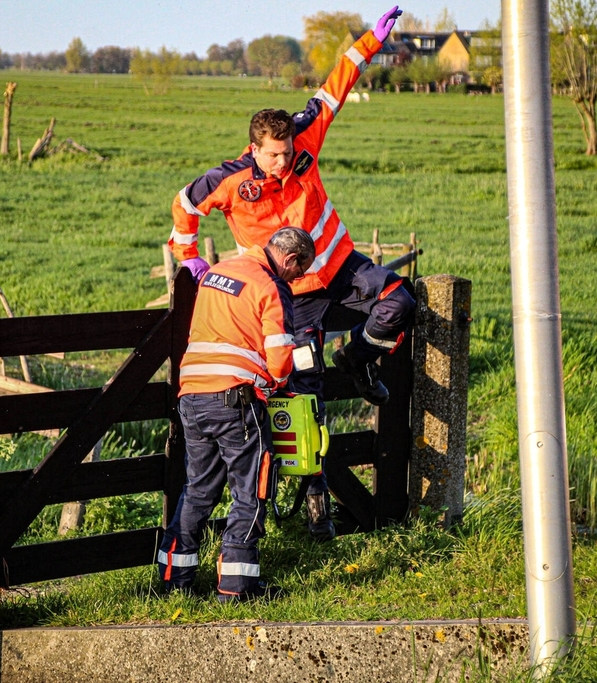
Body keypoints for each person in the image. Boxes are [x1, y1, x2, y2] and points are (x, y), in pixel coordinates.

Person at [167, 6, 415, 541]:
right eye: (274, 155)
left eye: (288, 153)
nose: (284, 162)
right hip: (290, 298)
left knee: (402, 301)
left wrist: (370, 41)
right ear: (255, 149)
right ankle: (316, 511)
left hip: (340, 267)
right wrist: (188, 255)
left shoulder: (305, 138)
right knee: (305, 398)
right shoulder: (230, 180)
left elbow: (335, 89)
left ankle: (358, 359)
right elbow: (184, 203)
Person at [157, 228, 315, 603]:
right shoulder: (271, 285)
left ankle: (174, 580)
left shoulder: (217, 272)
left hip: (191, 395)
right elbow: (280, 355)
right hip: (236, 400)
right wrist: (278, 384)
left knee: (198, 490)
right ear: (290, 259)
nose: (297, 279)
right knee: (251, 492)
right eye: (300, 271)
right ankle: (236, 587)